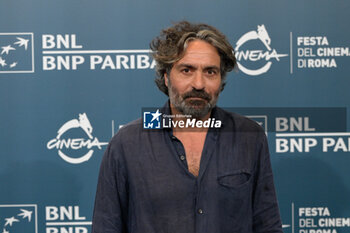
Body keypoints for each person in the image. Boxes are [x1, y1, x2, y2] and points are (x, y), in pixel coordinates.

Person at [92, 21, 283, 233]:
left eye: (210, 72)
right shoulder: (127, 143)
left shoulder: (249, 137)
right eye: (186, 70)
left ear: (221, 80)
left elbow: (268, 225)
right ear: (166, 76)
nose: (199, 84)